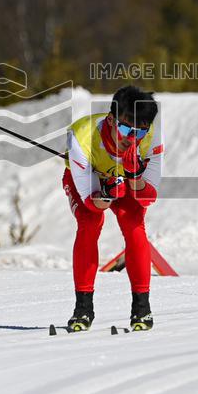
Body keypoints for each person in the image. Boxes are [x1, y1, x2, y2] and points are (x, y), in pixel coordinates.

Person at [62, 85, 163, 331]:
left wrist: (135, 175)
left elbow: (148, 196)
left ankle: (142, 309)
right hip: (89, 178)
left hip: (124, 178)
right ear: (110, 120)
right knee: (90, 223)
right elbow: (91, 204)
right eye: (126, 128)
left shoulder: (151, 139)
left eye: (140, 131)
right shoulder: (81, 136)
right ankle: (83, 309)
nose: (132, 138)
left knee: (133, 222)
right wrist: (105, 193)